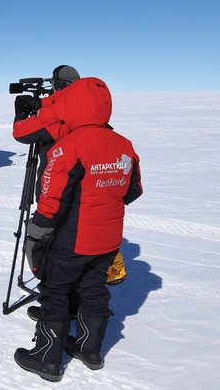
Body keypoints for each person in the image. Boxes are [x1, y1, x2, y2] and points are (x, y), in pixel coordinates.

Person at [13, 77, 143, 382]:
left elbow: (51, 199)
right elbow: (132, 190)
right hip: (108, 237)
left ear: (72, 105)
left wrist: (40, 227)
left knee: (55, 289)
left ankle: (47, 358)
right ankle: (89, 349)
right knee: (94, 287)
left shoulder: (68, 146)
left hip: (74, 235)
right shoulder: (123, 144)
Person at [13, 66, 126, 322]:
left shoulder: (60, 118)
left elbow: (22, 132)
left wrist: (23, 113)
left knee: (54, 251)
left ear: (57, 86)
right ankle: (77, 310)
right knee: (81, 258)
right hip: (94, 194)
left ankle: (55, 311)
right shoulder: (93, 117)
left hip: (58, 187)